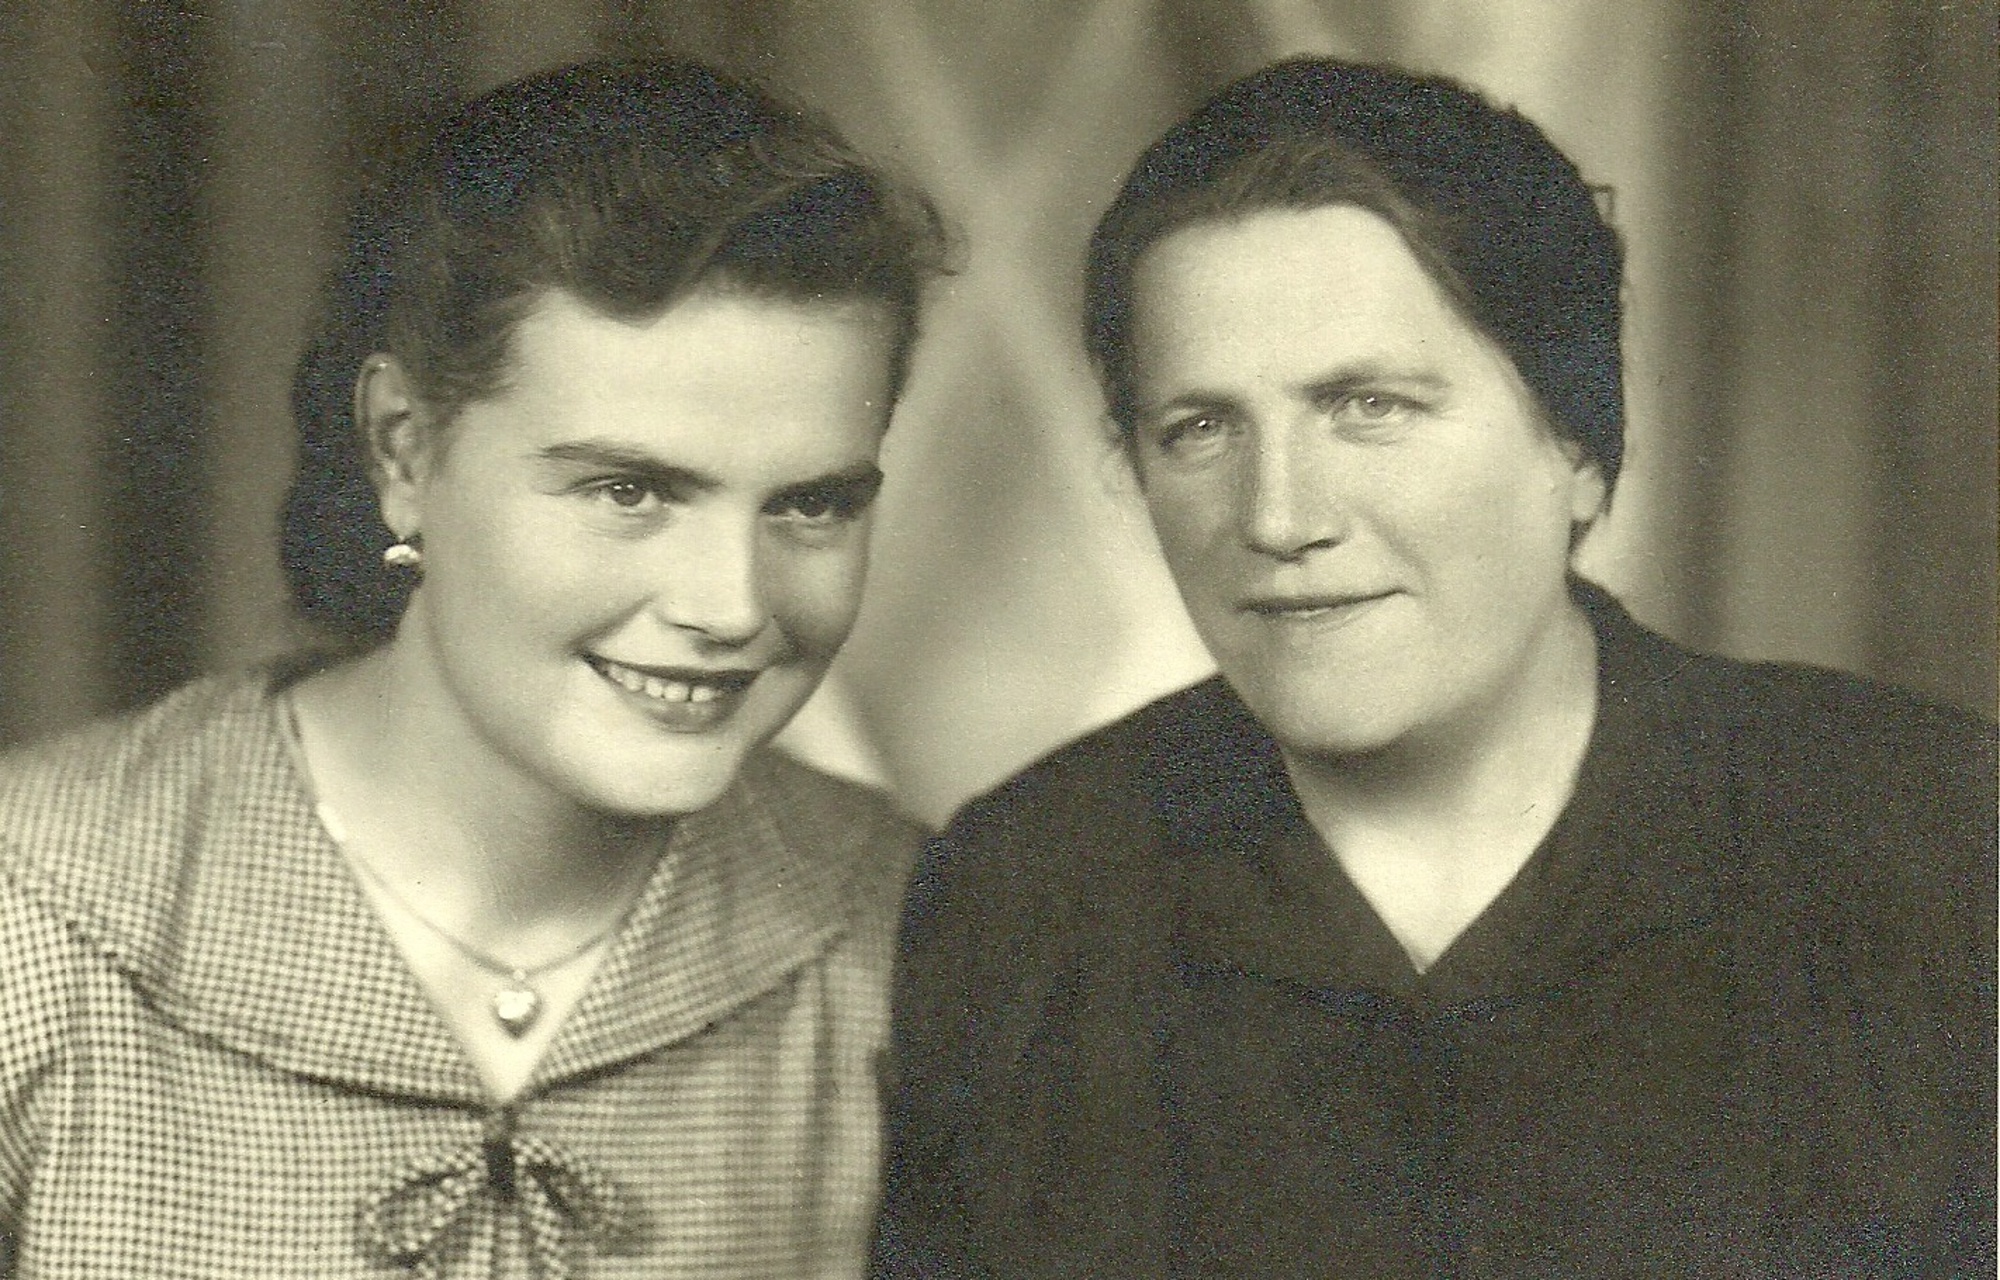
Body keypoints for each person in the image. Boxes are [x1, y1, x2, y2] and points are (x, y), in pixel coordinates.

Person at [873, 56, 1995, 1279]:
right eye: (1200, 428)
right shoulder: (1025, 892)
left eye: (1370, 406)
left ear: (1576, 445)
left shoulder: (1926, 837)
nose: (1279, 515)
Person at [0, 57, 944, 1277]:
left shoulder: (913, 935)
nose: (731, 606)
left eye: (811, 505)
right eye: (629, 490)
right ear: (403, 449)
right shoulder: (34, 916)